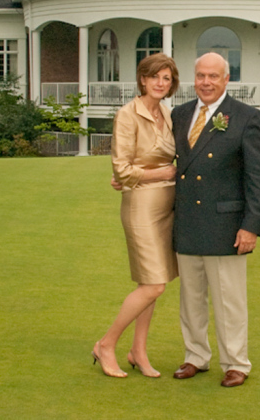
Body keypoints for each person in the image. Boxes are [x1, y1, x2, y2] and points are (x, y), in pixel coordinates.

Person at [170, 52, 260, 388]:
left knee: (230, 301)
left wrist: (251, 226)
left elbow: (258, 178)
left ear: (227, 79)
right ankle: (195, 356)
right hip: (187, 222)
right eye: (201, 75)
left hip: (226, 226)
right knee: (190, 299)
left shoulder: (246, 117)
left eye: (213, 76)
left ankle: (236, 362)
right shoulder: (180, 114)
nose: (206, 82)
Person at [93, 53, 181, 378]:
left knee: (152, 281)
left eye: (166, 78)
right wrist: (161, 173)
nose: (160, 83)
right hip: (141, 206)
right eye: (154, 76)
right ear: (142, 79)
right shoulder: (127, 115)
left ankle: (138, 351)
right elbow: (123, 169)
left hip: (167, 206)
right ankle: (106, 344)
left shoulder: (168, 114)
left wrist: (163, 173)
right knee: (154, 285)